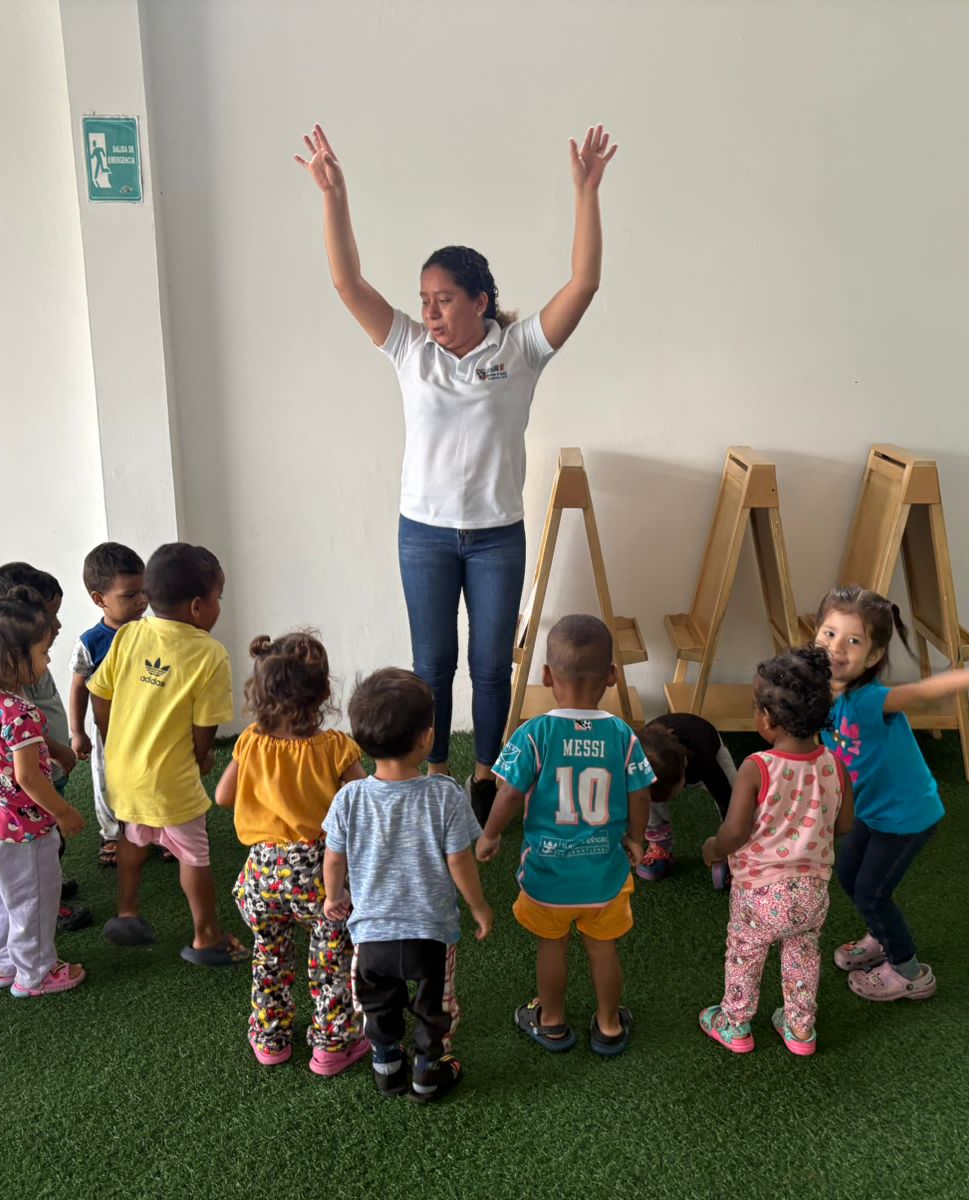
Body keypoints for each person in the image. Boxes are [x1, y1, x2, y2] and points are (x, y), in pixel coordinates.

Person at [296, 122, 619, 823]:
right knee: (433, 664)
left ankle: (486, 775)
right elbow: (347, 282)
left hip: (497, 535)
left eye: (443, 298)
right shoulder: (410, 349)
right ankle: (438, 771)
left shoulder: (521, 349)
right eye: (424, 299)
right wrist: (334, 195)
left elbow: (585, 281)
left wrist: (586, 192)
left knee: (492, 666)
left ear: (479, 300)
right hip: (425, 534)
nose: (429, 311)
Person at [812, 585, 969, 1001]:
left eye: (853, 640)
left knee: (872, 891)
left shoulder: (869, 700)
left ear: (873, 657)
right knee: (849, 874)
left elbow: (922, 692)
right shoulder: (820, 694)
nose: (837, 647)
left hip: (905, 817)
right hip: (871, 810)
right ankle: (881, 936)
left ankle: (910, 972)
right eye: (829, 633)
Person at [477, 615, 653, 1057]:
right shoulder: (622, 735)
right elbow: (640, 792)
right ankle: (609, 1024)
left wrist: (490, 834)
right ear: (611, 677)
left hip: (548, 875)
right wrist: (637, 838)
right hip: (605, 875)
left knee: (551, 946)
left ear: (546, 675)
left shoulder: (534, 733)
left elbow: (509, 792)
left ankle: (552, 1021)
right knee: (604, 948)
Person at [323, 668, 491, 1102]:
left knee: (377, 1002)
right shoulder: (445, 794)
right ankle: (427, 1071)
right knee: (434, 1005)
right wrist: (478, 907)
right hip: (430, 934)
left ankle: (386, 1066)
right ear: (427, 737)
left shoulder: (349, 798)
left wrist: (333, 896)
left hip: (371, 934)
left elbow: (334, 857)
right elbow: (459, 860)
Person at [214, 631, 369, 1075]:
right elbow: (362, 800)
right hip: (321, 873)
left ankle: (270, 1039)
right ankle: (332, 1047)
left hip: (263, 872)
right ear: (322, 694)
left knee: (270, 954)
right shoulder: (335, 747)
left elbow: (223, 796)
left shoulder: (250, 742)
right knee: (330, 959)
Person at [92, 543, 246, 966]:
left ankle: (127, 913)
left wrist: (111, 737)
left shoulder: (129, 634)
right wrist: (202, 757)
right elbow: (204, 725)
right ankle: (206, 935)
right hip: (170, 780)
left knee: (133, 835)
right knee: (194, 853)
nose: (219, 607)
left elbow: (99, 693)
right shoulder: (210, 654)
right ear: (197, 607)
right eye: (218, 598)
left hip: (122, 770)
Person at [698, 648, 852, 1056]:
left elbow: (735, 832)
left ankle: (735, 1024)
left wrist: (714, 848)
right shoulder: (834, 765)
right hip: (812, 892)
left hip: (759, 894)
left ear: (768, 718)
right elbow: (844, 825)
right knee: (803, 952)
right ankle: (800, 1029)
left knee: (745, 952)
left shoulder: (757, 767)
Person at [0, 586, 87, 998]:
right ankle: (36, 974)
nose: (47, 661)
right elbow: (28, 777)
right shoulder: (21, 712)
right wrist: (63, 812)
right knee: (34, 902)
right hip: (21, 830)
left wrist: (54, 751)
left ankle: (4, 962)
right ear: (14, 658)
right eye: (43, 653)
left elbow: (3, 747)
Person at [0, 562, 88, 930]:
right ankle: (47, 903)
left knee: (47, 844)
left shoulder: (17, 669)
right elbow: (25, 750)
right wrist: (63, 809)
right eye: (48, 618)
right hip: (35, 785)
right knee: (43, 842)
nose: (56, 627)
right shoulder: (13, 690)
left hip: (44, 771)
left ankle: (50, 883)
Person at [66, 542, 148, 868]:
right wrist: (77, 732)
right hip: (108, 731)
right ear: (99, 599)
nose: (142, 601)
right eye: (130, 595)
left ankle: (159, 828)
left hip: (147, 725)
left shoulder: (152, 633)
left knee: (151, 775)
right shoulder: (90, 642)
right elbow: (78, 688)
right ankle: (113, 833)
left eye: (144, 591)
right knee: (107, 782)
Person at [634, 713, 738, 885]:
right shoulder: (635, 761)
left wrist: (721, 847)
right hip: (660, 755)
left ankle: (736, 852)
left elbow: (729, 804)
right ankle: (659, 846)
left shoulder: (706, 761)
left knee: (737, 799)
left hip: (706, 743)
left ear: (684, 767)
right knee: (646, 798)